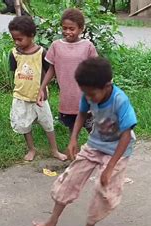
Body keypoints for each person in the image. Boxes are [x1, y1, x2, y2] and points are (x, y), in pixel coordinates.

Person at [33, 57, 138, 226]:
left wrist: (110, 168)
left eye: (91, 94)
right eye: (85, 94)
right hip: (95, 144)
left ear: (107, 86)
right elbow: (82, 113)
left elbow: (126, 135)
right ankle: (52, 220)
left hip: (118, 150)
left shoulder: (120, 101)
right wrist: (73, 138)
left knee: (103, 190)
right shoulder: (88, 94)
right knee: (70, 178)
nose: (88, 97)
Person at [8, 16, 67, 161]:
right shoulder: (14, 53)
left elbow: (51, 72)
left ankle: (54, 150)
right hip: (21, 96)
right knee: (24, 124)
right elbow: (14, 71)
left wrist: (43, 87)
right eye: (14, 39)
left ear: (32, 36)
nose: (16, 42)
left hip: (39, 98)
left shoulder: (42, 53)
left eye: (20, 39)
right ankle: (32, 149)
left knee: (48, 123)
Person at [38, 8, 98, 137]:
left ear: (81, 29)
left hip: (86, 97)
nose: (67, 32)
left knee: (92, 128)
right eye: (64, 28)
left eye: (72, 29)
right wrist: (42, 88)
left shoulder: (87, 46)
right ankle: (74, 150)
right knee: (72, 128)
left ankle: (100, 151)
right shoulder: (56, 46)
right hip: (67, 98)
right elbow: (51, 69)